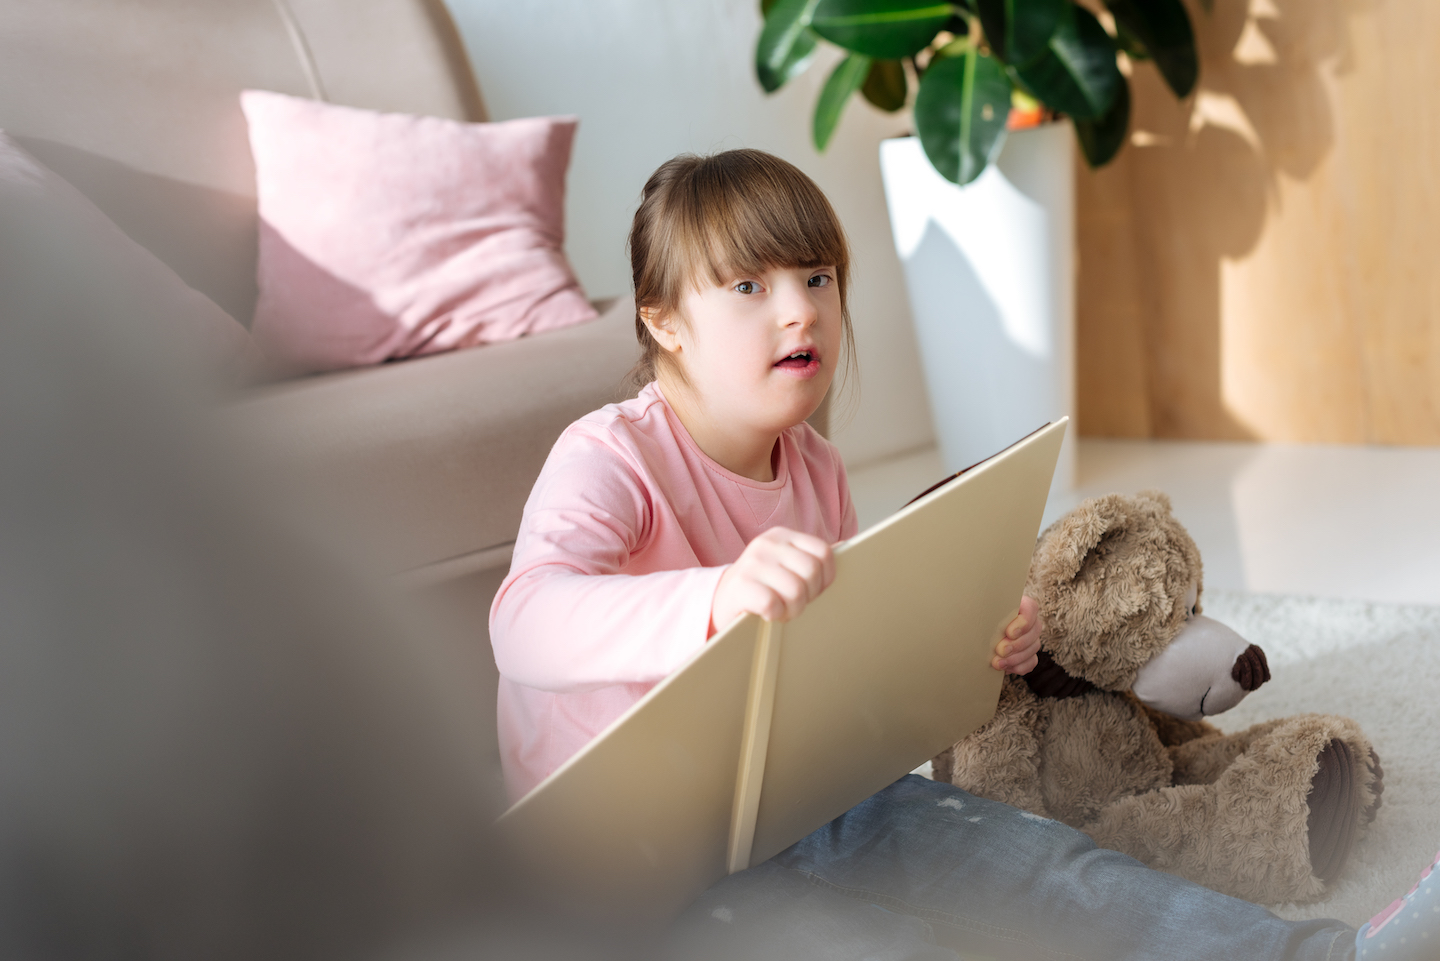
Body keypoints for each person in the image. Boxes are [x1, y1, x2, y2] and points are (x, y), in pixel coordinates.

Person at [489, 148, 1440, 961]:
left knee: (1040, 865)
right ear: (662, 319)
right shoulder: (609, 456)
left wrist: (973, 647)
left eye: (816, 278)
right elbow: (523, 622)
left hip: (790, 800)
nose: (801, 311)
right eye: (751, 286)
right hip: (628, 865)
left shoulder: (814, 468)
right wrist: (715, 596)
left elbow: (837, 672)